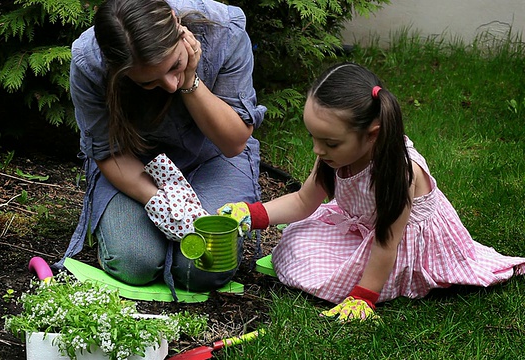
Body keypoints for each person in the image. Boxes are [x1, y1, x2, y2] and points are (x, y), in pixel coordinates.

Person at [219, 62, 525, 321]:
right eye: (313, 137)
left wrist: (364, 297)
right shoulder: (333, 154)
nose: (317, 149)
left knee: (339, 282)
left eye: (329, 142)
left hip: (398, 243)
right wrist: (251, 213)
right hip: (364, 227)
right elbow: (302, 201)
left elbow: (387, 243)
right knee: (295, 241)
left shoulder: (398, 171)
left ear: (372, 136)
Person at [55, 0, 266, 297]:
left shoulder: (225, 30)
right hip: (134, 164)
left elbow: (233, 142)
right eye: (149, 81)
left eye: (174, 66)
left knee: (201, 269)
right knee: (135, 263)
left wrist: (190, 81)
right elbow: (109, 152)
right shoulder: (89, 61)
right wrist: (160, 202)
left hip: (212, 157)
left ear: (176, 22)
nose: (169, 85)